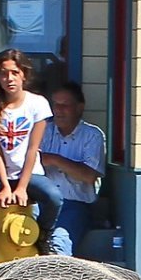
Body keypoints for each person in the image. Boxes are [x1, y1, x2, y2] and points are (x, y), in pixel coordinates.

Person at [0, 49, 62, 255]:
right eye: (3, 73)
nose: (8, 79)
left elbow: (32, 149)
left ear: (24, 75)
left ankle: (44, 235)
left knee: (54, 196)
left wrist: (21, 187)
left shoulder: (37, 103)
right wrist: (4, 186)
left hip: (29, 175)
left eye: (14, 73)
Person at [39, 80, 106, 257]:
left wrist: (54, 159)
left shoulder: (93, 135)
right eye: (55, 105)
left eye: (65, 105)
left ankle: (58, 278)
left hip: (76, 205)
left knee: (60, 239)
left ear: (79, 107)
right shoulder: (43, 131)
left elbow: (89, 176)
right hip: (42, 202)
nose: (58, 110)